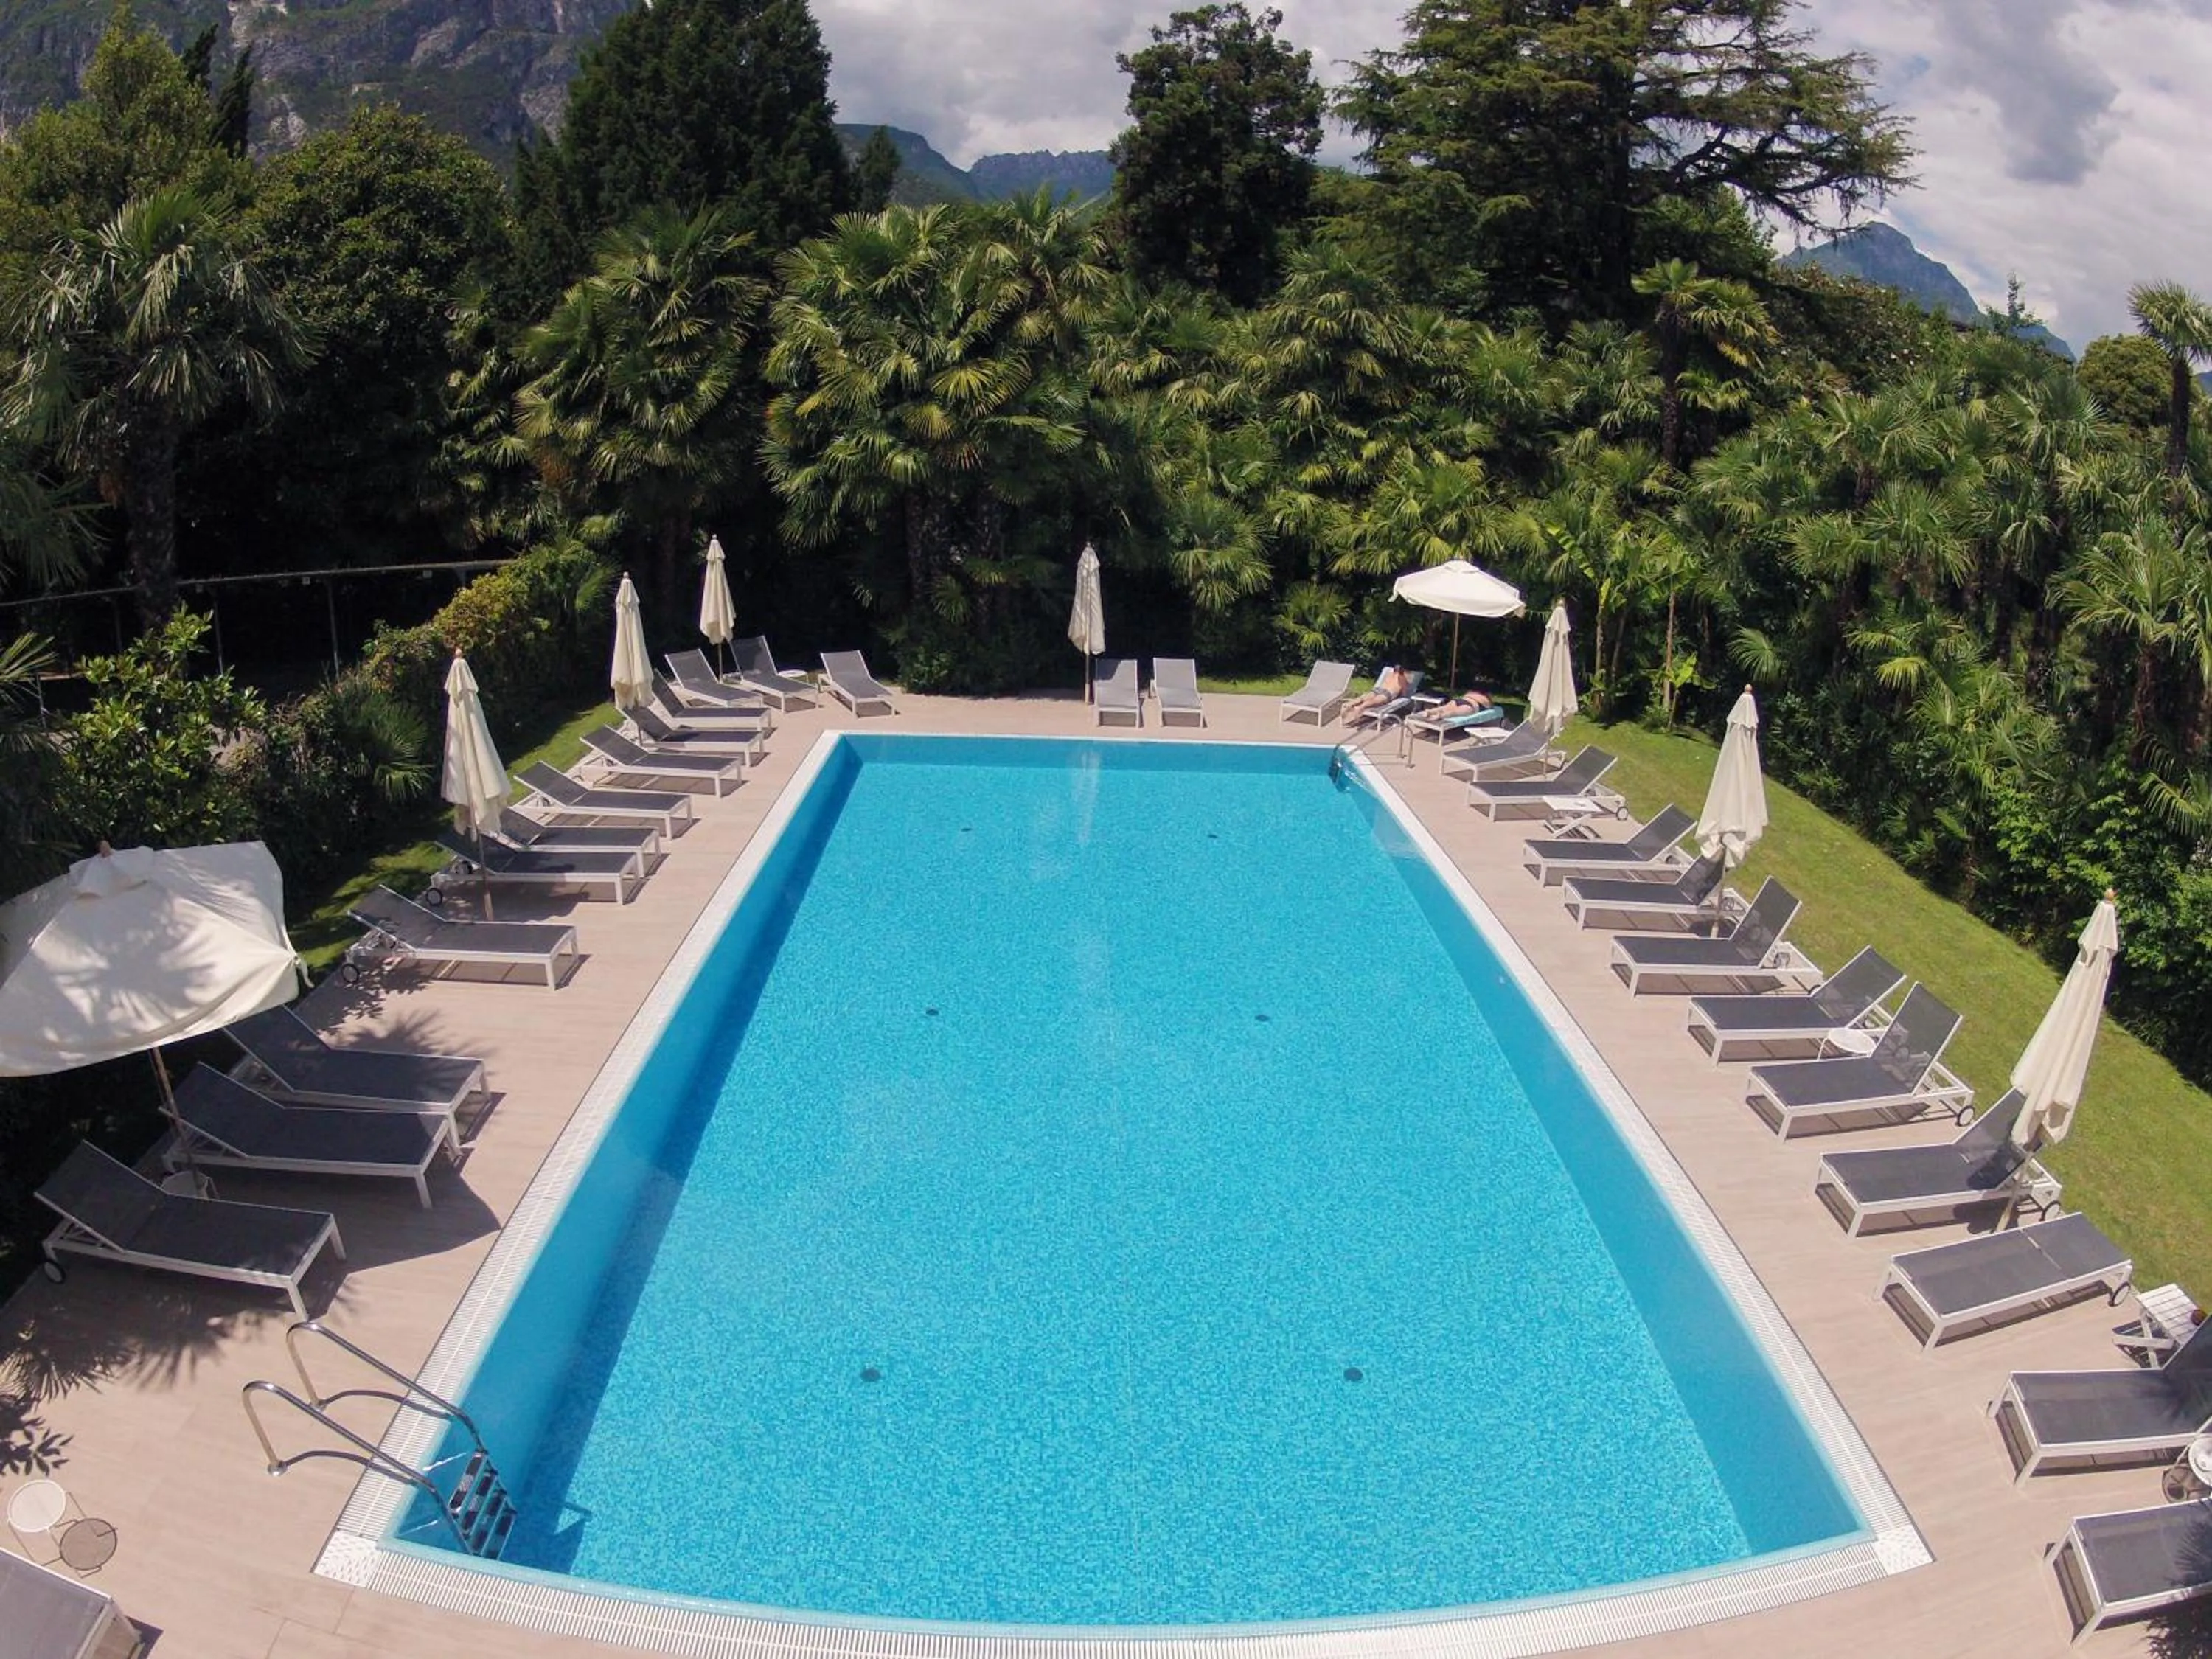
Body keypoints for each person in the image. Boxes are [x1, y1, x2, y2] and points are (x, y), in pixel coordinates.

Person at [1341, 665, 1409, 723]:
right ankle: (1361, 707)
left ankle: (1349, 704)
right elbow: (1404, 693)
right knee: (1374, 701)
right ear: (1402, 672)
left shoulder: (1390, 675)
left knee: (1363, 698)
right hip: (1388, 693)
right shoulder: (1402, 678)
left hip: (1378, 689)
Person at [1418, 689, 1493, 723]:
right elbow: (1490, 707)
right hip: (1470, 705)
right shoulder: (1486, 700)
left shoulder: (1471, 692)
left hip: (1459, 700)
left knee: (1443, 707)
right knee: (1454, 713)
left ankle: (1430, 711)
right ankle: (1440, 716)